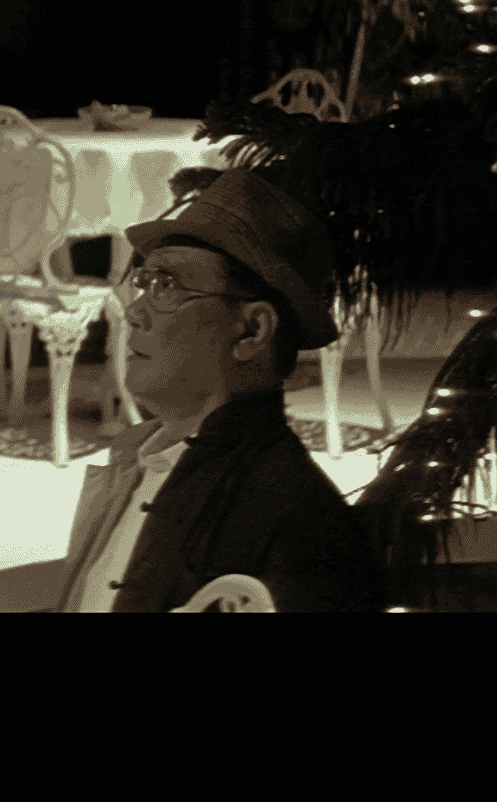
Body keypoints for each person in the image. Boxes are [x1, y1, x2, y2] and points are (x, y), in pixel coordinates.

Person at [54, 168, 384, 612]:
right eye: (143, 283)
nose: (134, 312)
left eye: (167, 286)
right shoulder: (137, 459)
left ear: (251, 330)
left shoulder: (296, 519)